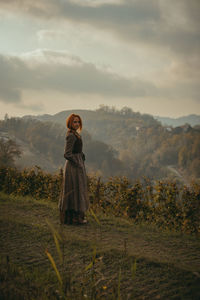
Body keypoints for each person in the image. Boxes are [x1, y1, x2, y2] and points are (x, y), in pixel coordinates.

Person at [59, 114, 89, 225]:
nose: (77, 124)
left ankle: (75, 217)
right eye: (74, 122)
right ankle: (75, 218)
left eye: (78, 122)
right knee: (75, 190)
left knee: (78, 189)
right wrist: (77, 162)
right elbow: (67, 154)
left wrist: (81, 155)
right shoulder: (71, 135)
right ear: (70, 123)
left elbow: (76, 150)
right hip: (73, 167)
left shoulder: (76, 134)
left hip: (77, 164)